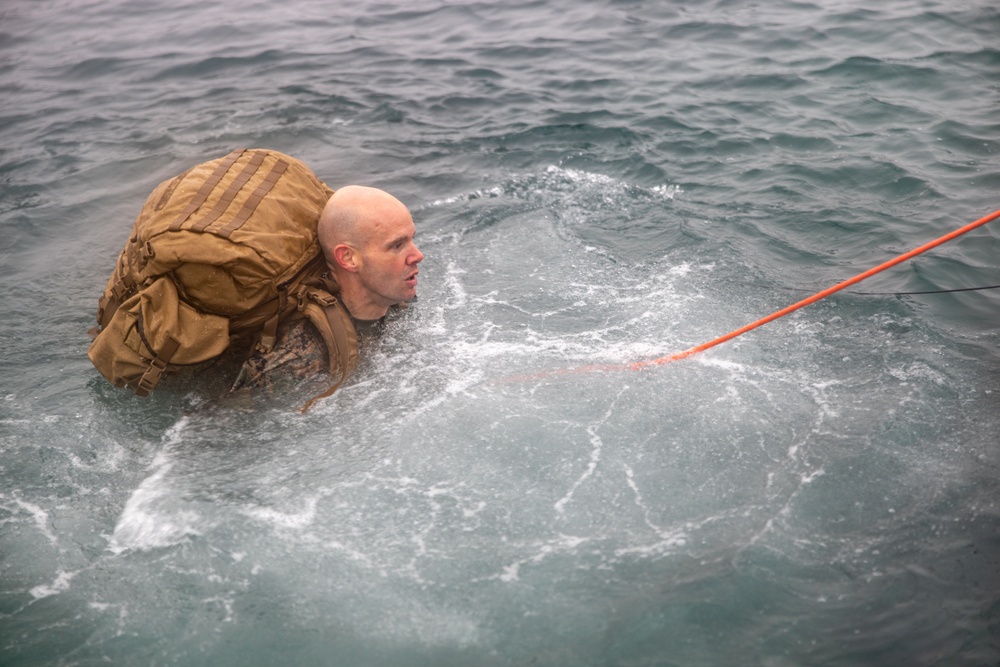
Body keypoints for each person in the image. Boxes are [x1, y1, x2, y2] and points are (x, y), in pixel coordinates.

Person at [229, 185, 423, 393]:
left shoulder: (397, 299)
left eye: (411, 239)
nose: (417, 255)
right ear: (348, 258)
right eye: (397, 246)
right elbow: (235, 418)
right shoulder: (296, 357)